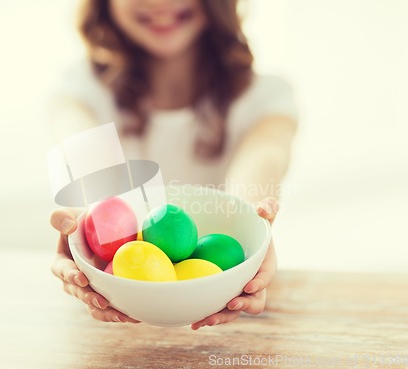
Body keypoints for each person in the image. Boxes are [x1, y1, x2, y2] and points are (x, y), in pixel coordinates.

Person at [49, 0, 297, 330]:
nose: (159, 4)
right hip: (111, 322)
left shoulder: (266, 96)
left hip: (238, 316)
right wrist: (87, 230)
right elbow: (91, 167)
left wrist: (254, 223)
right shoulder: (80, 90)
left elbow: (263, 156)